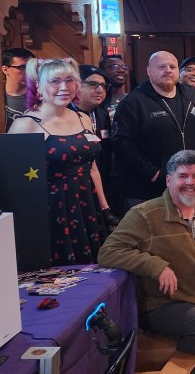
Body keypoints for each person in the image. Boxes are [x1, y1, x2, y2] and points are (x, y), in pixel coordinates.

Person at [99, 149, 195, 369]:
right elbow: (108, 252)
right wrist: (156, 266)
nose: (190, 182)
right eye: (183, 176)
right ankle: (163, 362)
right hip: (161, 304)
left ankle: (163, 346)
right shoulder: (144, 214)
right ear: (168, 180)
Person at [9, 58, 115, 263]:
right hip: (52, 208)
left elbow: (92, 167)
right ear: (39, 86)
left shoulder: (83, 118)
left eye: (69, 80)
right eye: (55, 81)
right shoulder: (25, 125)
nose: (64, 87)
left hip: (87, 202)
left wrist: (105, 208)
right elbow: (15, 183)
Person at [111, 51, 195, 209]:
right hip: (149, 191)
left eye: (172, 67)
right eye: (161, 67)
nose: (168, 70)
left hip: (190, 187)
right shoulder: (133, 102)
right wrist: (153, 174)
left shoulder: (192, 95)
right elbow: (122, 144)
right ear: (149, 71)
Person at [75, 65, 113, 204]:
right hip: (77, 184)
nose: (100, 90)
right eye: (93, 84)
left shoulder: (102, 114)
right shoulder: (66, 114)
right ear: (76, 85)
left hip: (103, 181)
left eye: (103, 86)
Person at [2, 47, 34, 130]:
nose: (28, 71)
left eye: (31, 67)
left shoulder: (40, 95)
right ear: (5, 70)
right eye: (22, 67)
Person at [99, 54, 130, 119]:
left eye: (124, 67)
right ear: (102, 71)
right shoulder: (97, 99)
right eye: (115, 67)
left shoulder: (132, 99)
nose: (121, 70)